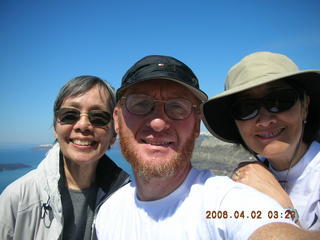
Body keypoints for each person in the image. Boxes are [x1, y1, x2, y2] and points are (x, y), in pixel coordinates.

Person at [95, 55, 318, 239]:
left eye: (177, 107)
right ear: (116, 118)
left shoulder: (228, 201)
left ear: (196, 124)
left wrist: (285, 211)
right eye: (141, 104)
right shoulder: (107, 213)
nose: (264, 120)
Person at [0, 75, 130, 239]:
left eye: (98, 118)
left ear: (113, 134)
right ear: (55, 127)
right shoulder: (18, 199)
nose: (83, 125)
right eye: (70, 115)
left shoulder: (127, 201)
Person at [202, 51, 320, 231]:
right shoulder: (245, 183)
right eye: (246, 108)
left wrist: (284, 209)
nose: (264, 120)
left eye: (279, 101)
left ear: (304, 106)